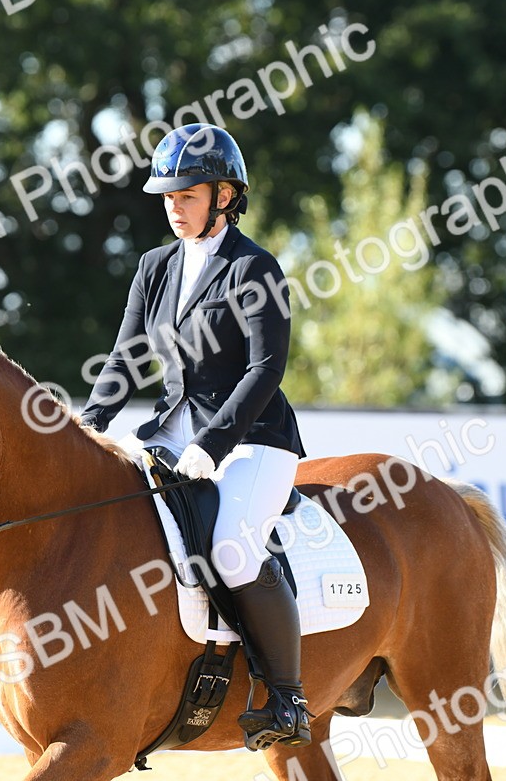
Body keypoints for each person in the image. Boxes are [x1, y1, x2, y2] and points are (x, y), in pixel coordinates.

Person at [79, 123, 311, 750]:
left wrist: (212, 444)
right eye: (167, 198)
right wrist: (89, 427)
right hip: (168, 437)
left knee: (233, 547)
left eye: (186, 196)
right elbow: (126, 358)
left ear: (224, 196)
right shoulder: (154, 268)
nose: (173, 209)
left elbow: (267, 368)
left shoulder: (253, 268)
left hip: (254, 441)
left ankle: (288, 697)